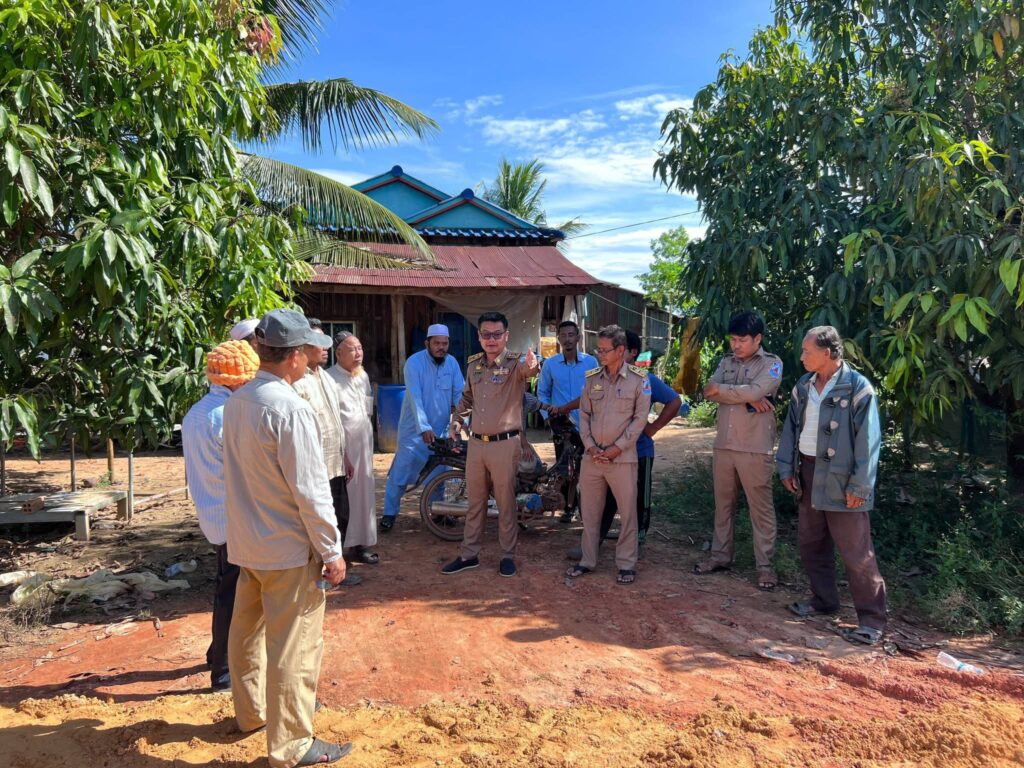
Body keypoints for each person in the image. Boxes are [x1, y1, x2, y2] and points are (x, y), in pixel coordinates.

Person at [223, 309, 351, 768]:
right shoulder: (290, 408)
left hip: (248, 544)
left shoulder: (238, 400)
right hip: (288, 550)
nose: (312, 359)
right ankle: (293, 744)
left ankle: (251, 713)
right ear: (294, 356)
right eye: (309, 351)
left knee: (247, 635)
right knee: (294, 648)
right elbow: (311, 491)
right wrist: (332, 551)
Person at [778, 325, 886, 646]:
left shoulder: (858, 388)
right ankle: (823, 601)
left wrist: (860, 486)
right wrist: (787, 467)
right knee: (811, 542)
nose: (801, 356)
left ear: (827, 353)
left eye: (806, 351)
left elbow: (869, 440)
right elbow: (791, 428)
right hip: (809, 472)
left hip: (842, 479)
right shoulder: (804, 385)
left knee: (857, 552)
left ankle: (872, 621)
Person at [181, 340, 260, 692]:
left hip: (211, 511)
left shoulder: (197, 412)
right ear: (237, 380)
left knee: (225, 584)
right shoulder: (228, 416)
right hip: (234, 517)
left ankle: (217, 653)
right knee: (235, 593)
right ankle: (224, 672)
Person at [442, 312, 539, 577]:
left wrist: (533, 366)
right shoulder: (473, 365)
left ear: (506, 336)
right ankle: (469, 555)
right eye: (486, 334)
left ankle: (507, 555)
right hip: (477, 444)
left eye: (497, 334)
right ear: (479, 336)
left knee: (505, 503)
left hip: (505, 444)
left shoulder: (515, 363)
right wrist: (456, 421)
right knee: (475, 503)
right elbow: (466, 399)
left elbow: (529, 371)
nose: (491, 339)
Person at [695, 311, 782, 591]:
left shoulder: (772, 364)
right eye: (733, 339)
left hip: (755, 448)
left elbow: (754, 391)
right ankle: (720, 557)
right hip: (724, 446)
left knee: (761, 509)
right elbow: (708, 390)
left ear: (758, 339)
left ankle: (765, 566)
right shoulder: (726, 362)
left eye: (742, 340)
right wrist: (748, 396)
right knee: (723, 506)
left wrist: (732, 393)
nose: (736, 345)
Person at [567, 325, 651, 584]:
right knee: (589, 513)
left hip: (622, 459)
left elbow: (639, 420)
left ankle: (626, 564)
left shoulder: (639, 380)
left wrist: (616, 448)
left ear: (621, 350)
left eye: (605, 350)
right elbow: (584, 415)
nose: (600, 354)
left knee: (627, 514)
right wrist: (591, 446)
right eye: (599, 350)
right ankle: (587, 560)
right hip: (592, 458)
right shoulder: (592, 378)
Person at [596, 330, 687, 550]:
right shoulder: (604, 378)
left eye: (622, 349)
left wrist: (653, 428)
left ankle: (638, 537)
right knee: (607, 497)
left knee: (639, 498)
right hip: (611, 451)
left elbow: (674, 401)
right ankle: (597, 538)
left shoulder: (645, 379)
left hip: (640, 451)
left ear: (632, 352)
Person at [293, 319, 361, 587]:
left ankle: (335, 571)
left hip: (336, 464)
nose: (325, 348)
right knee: (318, 522)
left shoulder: (326, 378)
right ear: (302, 347)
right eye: (318, 343)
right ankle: (318, 576)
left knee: (340, 517)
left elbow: (334, 423)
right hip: (315, 468)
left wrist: (345, 456)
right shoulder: (298, 383)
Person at [381, 324, 465, 531]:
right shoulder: (414, 363)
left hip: (441, 431)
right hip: (414, 432)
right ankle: (389, 514)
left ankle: (437, 513)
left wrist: (462, 421)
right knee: (400, 473)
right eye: (437, 343)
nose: (441, 347)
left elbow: (460, 395)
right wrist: (424, 427)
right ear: (427, 343)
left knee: (439, 473)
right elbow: (415, 397)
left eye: (445, 343)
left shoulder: (452, 363)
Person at [537, 320, 599, 522]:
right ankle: (568, 508)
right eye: (563, 335)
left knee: (587, 467)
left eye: (571, 335)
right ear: (558, 339)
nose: (567, 339)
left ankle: (587, 507)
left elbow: (597, 391)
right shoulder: (550, 364)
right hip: (562, 426)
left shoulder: (591, 363)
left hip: (588, 424)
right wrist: (548, 417)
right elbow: (542, 393)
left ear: (578, 337)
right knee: (564, 467)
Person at [326, 332, 378, 563]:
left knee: (364, 497)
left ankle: (360, 545)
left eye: (360, 348)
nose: (358, 354)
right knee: (344, 499)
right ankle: (341, 550)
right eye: (352, 349)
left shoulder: (362, 376)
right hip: (344, 450)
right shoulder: (329, 379)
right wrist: (343, 452)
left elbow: (367, 408)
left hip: (364, 447)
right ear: (339, 353)